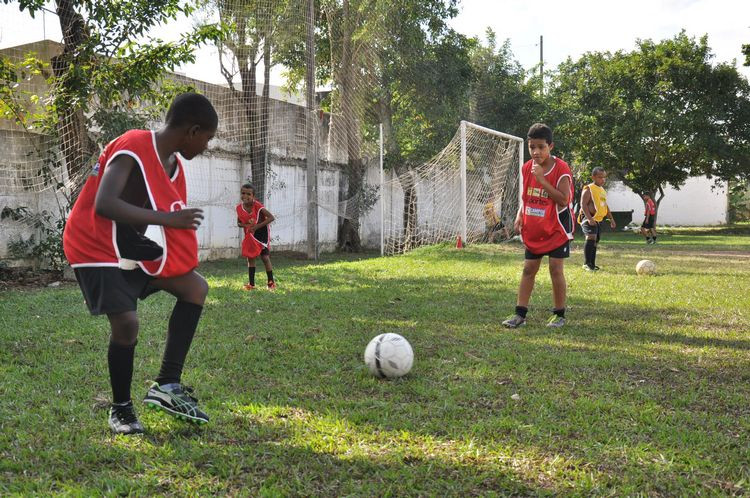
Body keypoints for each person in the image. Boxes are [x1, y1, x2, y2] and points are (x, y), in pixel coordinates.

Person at [62, 92, 218, 435]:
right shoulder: (134, 144)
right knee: (127, 324)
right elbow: (104, 203)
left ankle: (167, 385)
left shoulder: (175, 169)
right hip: (92, 243)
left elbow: (149, 216)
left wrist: (150, 253)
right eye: (207, 138)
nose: (206, 146)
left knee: (195, 287)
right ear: (192, 131)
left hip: (125, 243)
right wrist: (167, 220)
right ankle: (120, 410)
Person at [502, 123, 574, 329]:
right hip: (535, 228)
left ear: (550, 146)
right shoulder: (527, 168)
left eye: (541, 147)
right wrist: (519, 214)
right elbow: (525, 196)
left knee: (555, 269)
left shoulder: (561, 168)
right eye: (532, 146)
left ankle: (559, 315)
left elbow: (563, 200)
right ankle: (520, 315)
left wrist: (542, 180)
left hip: (557, 228)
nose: (536, 151)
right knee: (528, 269)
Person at [236, 183, 276, 290]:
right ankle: (252, 284)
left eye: (249, 194)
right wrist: (246, 225)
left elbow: (271, 217)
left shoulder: (258, 206)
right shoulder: (239, 208)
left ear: (253, 196)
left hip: (262, 233)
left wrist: (257, 226)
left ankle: (271, 283)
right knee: (251, 258)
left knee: (265, 257)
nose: (245, 196)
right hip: (250, 234)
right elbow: (239, 223)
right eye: (243, 193)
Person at [578, 167, 616, 271]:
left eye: (604, 177)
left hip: (598, 219)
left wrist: (611, 219)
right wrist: (589, 218)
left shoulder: (602, 190)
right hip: (588, 217)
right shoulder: (589, 188)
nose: (603, 180)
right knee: (591, 237)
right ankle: (586, 263)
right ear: (593, 177)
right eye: (600, 177)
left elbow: (605, 205)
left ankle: (592, 264)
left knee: (595, 241)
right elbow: (583, 204)